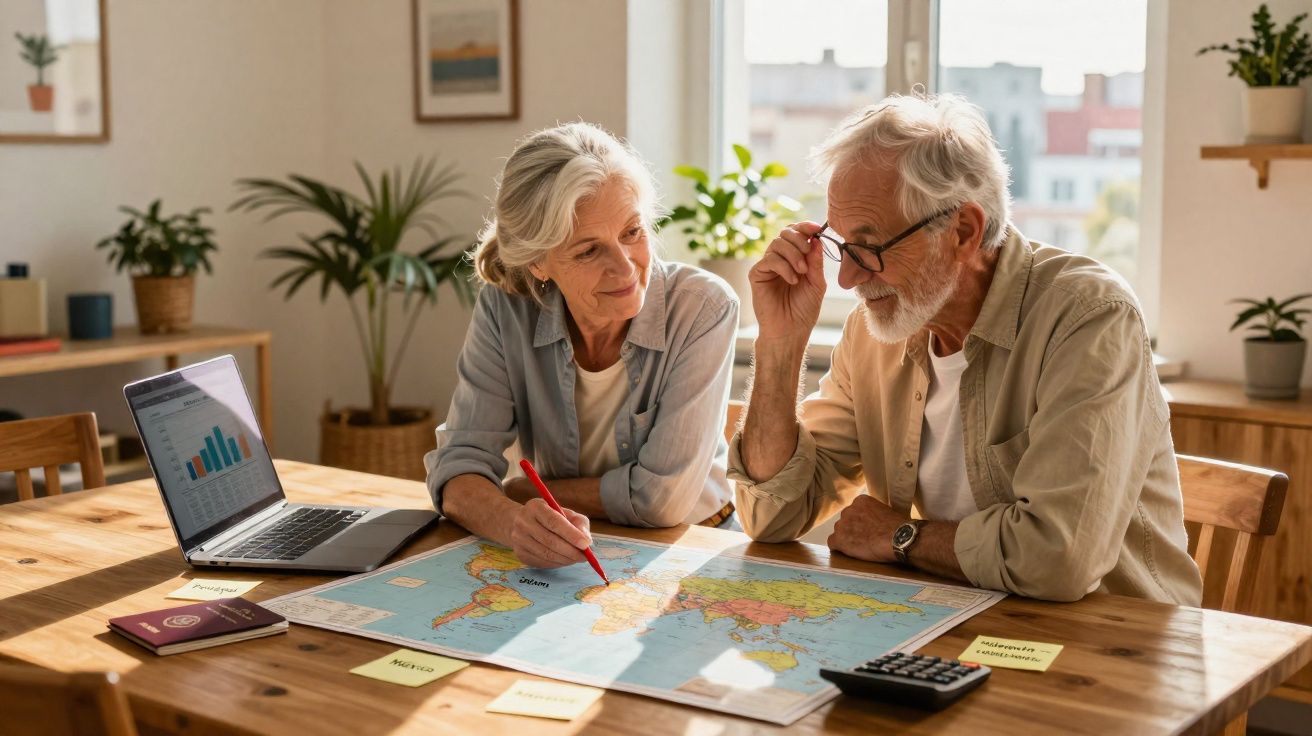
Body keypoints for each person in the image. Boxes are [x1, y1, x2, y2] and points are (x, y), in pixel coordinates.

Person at [729, 94, 1202, 604]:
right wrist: (780, 341)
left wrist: (898, 537)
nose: (847, 278)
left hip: (1115, 643)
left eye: (869, 247)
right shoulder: (876, 330)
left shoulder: (1088, 317)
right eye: (840, 245)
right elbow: (772, 515)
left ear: (963, 231)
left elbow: (1057, 558)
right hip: (957, 620)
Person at [425, 122, 739, 570]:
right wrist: (512, 523)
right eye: (589, 251)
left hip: (694, 544)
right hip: (572, 546)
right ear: (538, 262)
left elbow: (663, 501)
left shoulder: (703, 308)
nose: (625, 268)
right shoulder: (506, 307)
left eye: (632, 232)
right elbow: (457, 468)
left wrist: (524, 490)